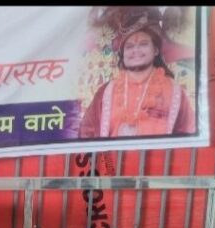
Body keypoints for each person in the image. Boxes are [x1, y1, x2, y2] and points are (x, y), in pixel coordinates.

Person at [79, 7, 196, 139]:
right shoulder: (105, 93)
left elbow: (189, 134)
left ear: (155, 50)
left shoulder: (174, 92)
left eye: (143, 44)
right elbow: (86, 134)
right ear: (123, 54)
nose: (136, 51)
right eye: (129, 46)